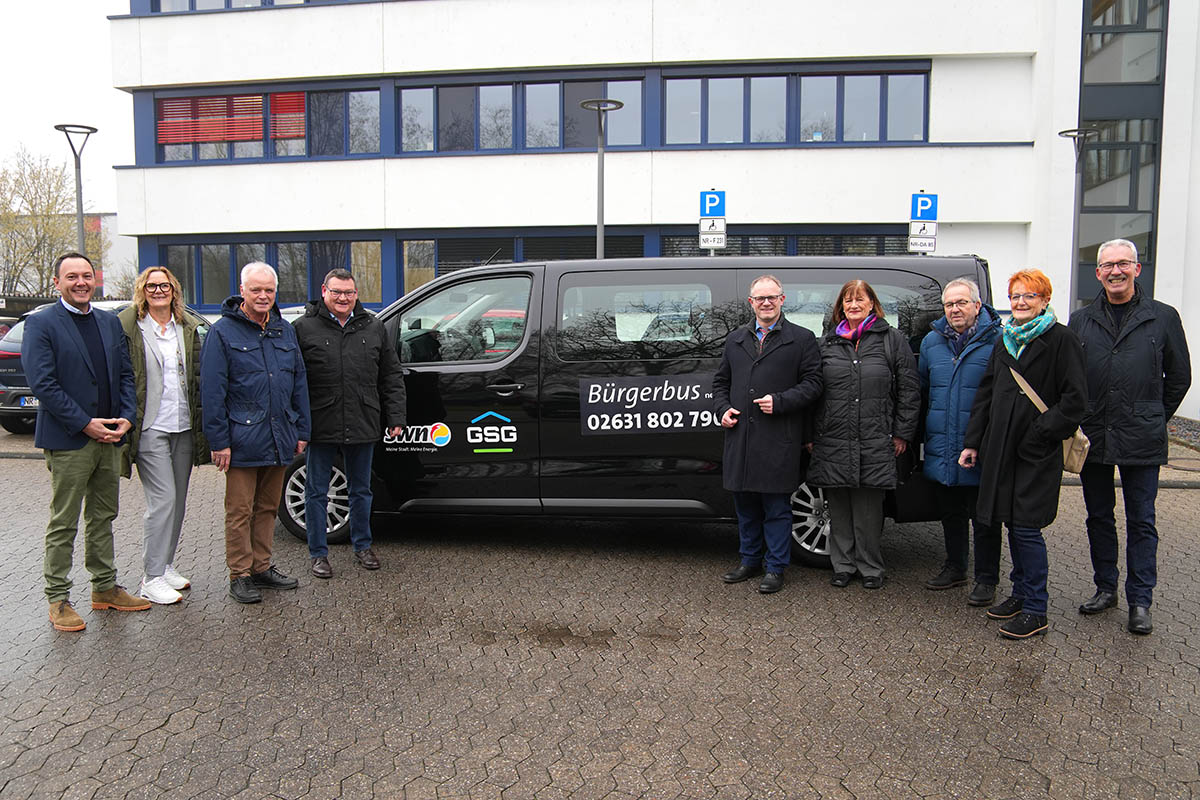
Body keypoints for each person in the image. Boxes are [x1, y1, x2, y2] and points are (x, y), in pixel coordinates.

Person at [1068, 239, 1191, 635]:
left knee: (1142, 520)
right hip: (1094, 434)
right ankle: (1106, 588)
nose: (1115, 271)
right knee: (1099, 516)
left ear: (1137, 269)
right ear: (1098, 272)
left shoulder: (1163, 317)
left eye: (1123, 264)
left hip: (1141, 435)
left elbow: (1180, 377)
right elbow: (1070, 377)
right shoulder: (1081, 320)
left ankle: (1140, 599)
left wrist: (1153, 415)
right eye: (1107, 265)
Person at [22, 252, 147, 631]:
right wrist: (84, 424)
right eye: (72, 276)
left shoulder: (109, 322)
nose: (80, 282)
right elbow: (43, 383)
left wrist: (127, 416)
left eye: (86, 276)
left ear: (95, 280)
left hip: (110, 437)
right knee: (64, 522)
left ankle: (104, 588)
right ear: (57, 283)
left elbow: (127, 374)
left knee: (103, 517)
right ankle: (58, 598)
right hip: (69, 440)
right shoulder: (42, 323)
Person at [960, 269, 1086, 640]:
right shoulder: (1006, 341)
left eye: (1029, 296)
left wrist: (1039, 434)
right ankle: (1018, 594)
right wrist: (973, 442)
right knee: (1011, 523)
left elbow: (1076, 401)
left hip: (1035, 453)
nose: (1020, 302)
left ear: (1044, 300)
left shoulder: (1062, 339)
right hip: (1000, 450)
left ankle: (1036, 609)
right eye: (1015, 296)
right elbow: (986, 392)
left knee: (1028, 529)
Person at [201, 262, 311, 604]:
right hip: (241, 438)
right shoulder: (223, 333)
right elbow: (212, 391)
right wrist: (219, 441)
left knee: (266, 508)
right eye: (256, 290)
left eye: (269, 290)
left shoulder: (284, 330)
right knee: (239, 512)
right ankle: (240, 574)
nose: (263, 296)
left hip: (280, 435)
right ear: (242, 290)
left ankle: (262, 567)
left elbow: (299, 383)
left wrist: (302, 428)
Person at [713, 274, 823, 594]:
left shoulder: (802, 339)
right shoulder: (735, 339)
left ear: (782, 300)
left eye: (772, 297)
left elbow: (814, 384)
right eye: (760, 298)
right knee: (745, 507)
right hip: (741, 438)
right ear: (751, 303)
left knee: (776, 509)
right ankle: (750, 561)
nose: (766, 303)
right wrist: (722, 409)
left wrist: (781, 401)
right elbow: (720, 383)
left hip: (778, 438)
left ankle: (775, 568)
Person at [293, 268, 406, 578]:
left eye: (349, 293)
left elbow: (391, 375)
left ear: (356, 294)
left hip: (363, 419)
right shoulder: (303, 328)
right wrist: (296, 423)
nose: (343, 298)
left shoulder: (373, 327)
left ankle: (363, 546)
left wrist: (395, 416)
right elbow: (292, 380)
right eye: (337, 292)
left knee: (361, 490)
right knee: (316, 492)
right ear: (324, 291)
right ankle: (318, 553)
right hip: (321, 421)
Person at [806, 280, 920, 589]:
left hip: (876, 437)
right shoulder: (827, 343)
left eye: (861, 300)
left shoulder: (891, 340)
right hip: (833, 437)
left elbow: (909, 391)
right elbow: (814, 393)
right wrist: (811, 435)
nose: (854, 305)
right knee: (839, 509)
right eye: (848, 300)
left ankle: (871, 567)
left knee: (869, 511)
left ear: (872, 304)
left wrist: (902, 434)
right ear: (840, 307)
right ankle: (842, 566)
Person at [118, 267, 209, 605]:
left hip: (183, 425)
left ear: (174, 290)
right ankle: (151, 577)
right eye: (152, 285)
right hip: (150, 426)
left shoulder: (184, 326)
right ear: (143, 290)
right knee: (163, 501)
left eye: (165, 285)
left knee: (179, 501)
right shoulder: (130, 325)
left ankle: (166, 564)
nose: (159, 290)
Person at [918, 278, 1003, 605]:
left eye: (961, 303)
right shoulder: (931, 342)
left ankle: (986, 579)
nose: (955, 309)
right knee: (950, 512)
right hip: (942, 443)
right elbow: (924, 391)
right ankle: (956, 567)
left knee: (985, 516)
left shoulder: (997, 341)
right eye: (949, 304)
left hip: (981, 445)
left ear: (977, 306)